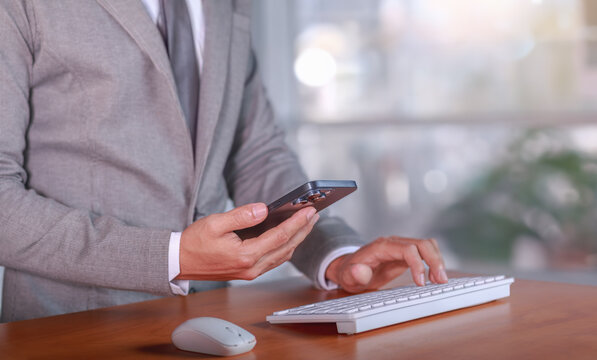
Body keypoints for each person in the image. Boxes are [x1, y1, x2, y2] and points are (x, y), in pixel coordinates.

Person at [0, 0, 448, 322]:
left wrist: (337, 256)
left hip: (211, 319)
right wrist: (170, 258)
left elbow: (254, 151)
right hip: (67, 326)